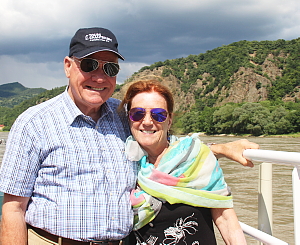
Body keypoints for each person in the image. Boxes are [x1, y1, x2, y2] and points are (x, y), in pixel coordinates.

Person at [0, 27, 258, 245]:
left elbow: (165, 146)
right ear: (68, 66)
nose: (99, 77)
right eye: (89, 65)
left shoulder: (125, 115)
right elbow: (13, 208)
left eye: (109, 68)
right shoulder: (33, 124)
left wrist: (222, 148)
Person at [119, 79, 247, 245]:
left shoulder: (197, 158)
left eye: (158, 114)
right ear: (129, 119)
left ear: (169, 120)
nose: (148, 121)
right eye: (138, 114)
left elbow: (225, 218)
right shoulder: (125, 162)